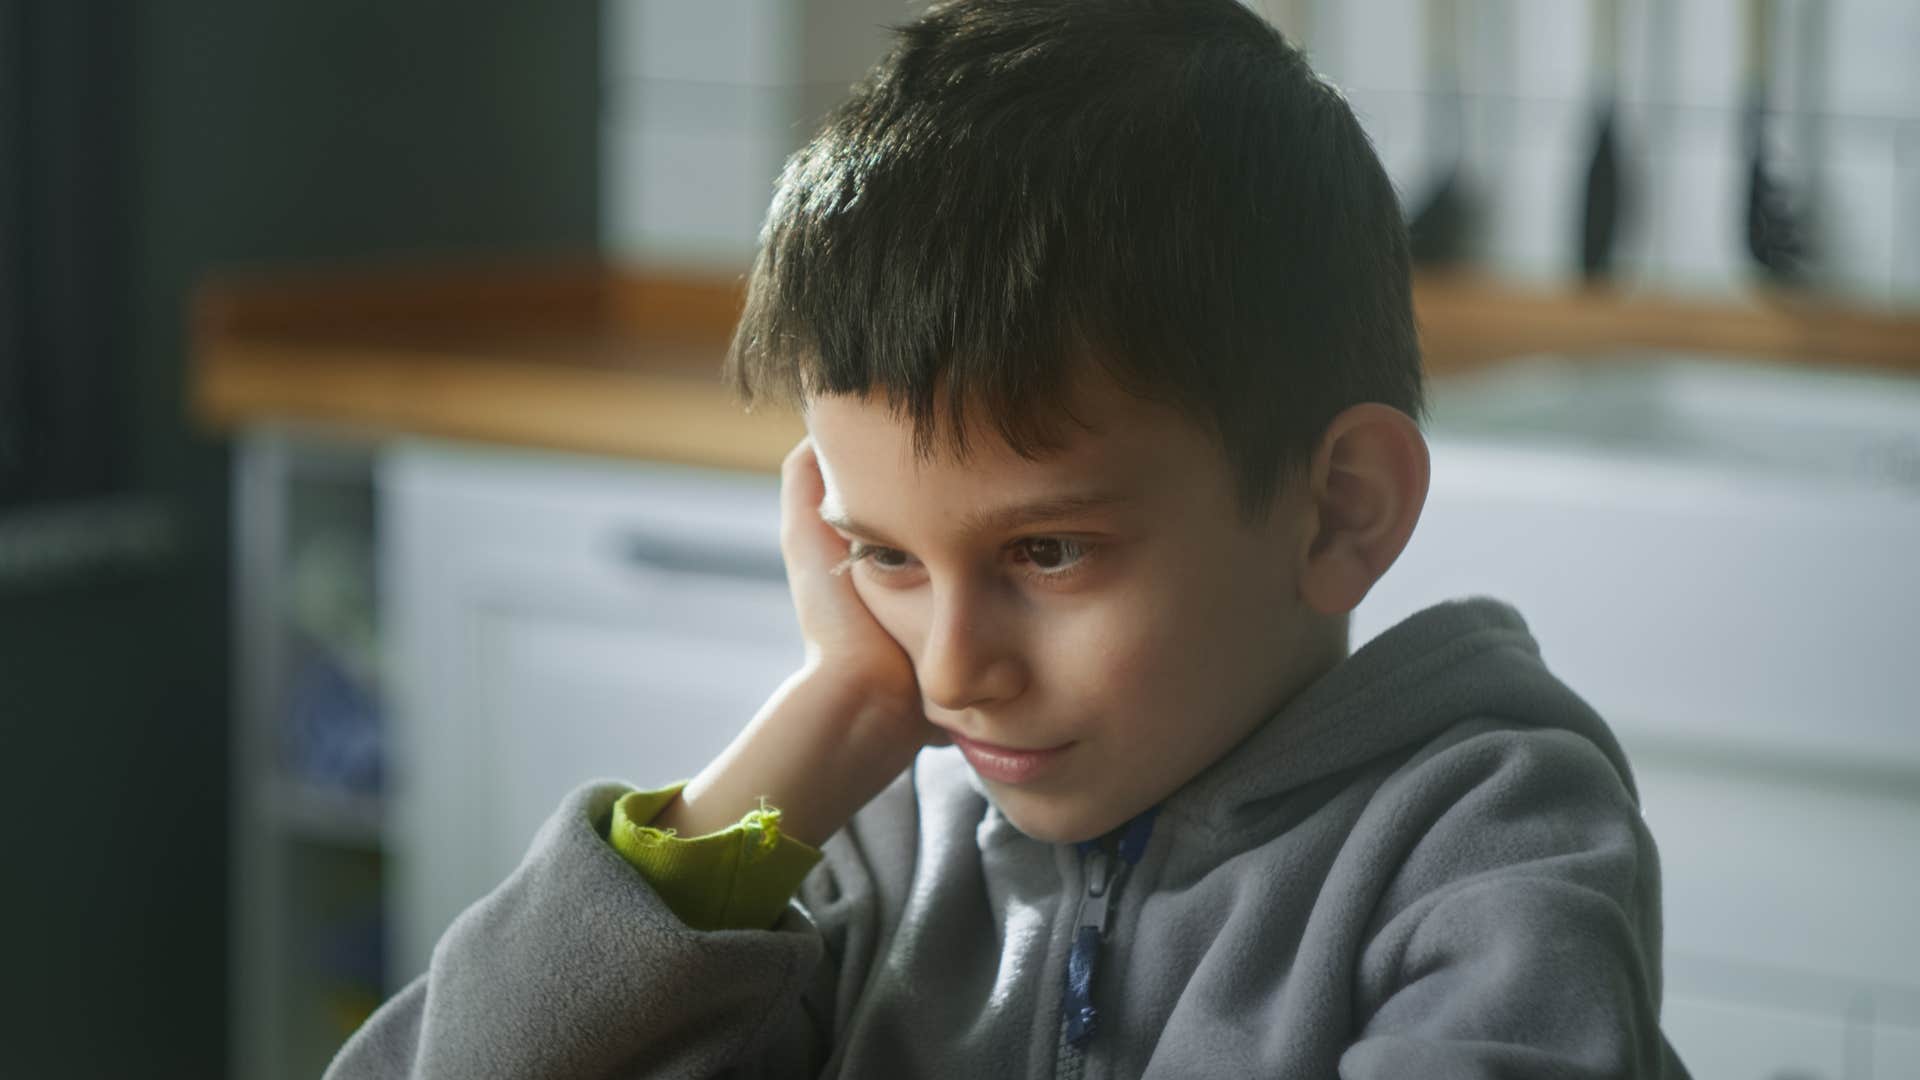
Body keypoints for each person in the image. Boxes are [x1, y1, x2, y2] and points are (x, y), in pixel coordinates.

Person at [327, 1, 1690, 1076]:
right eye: (888, 557)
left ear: (1340, 508)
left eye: (1047, 554)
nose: (951, 671)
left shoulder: (1488, 844)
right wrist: (828, 717)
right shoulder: (880, 844)